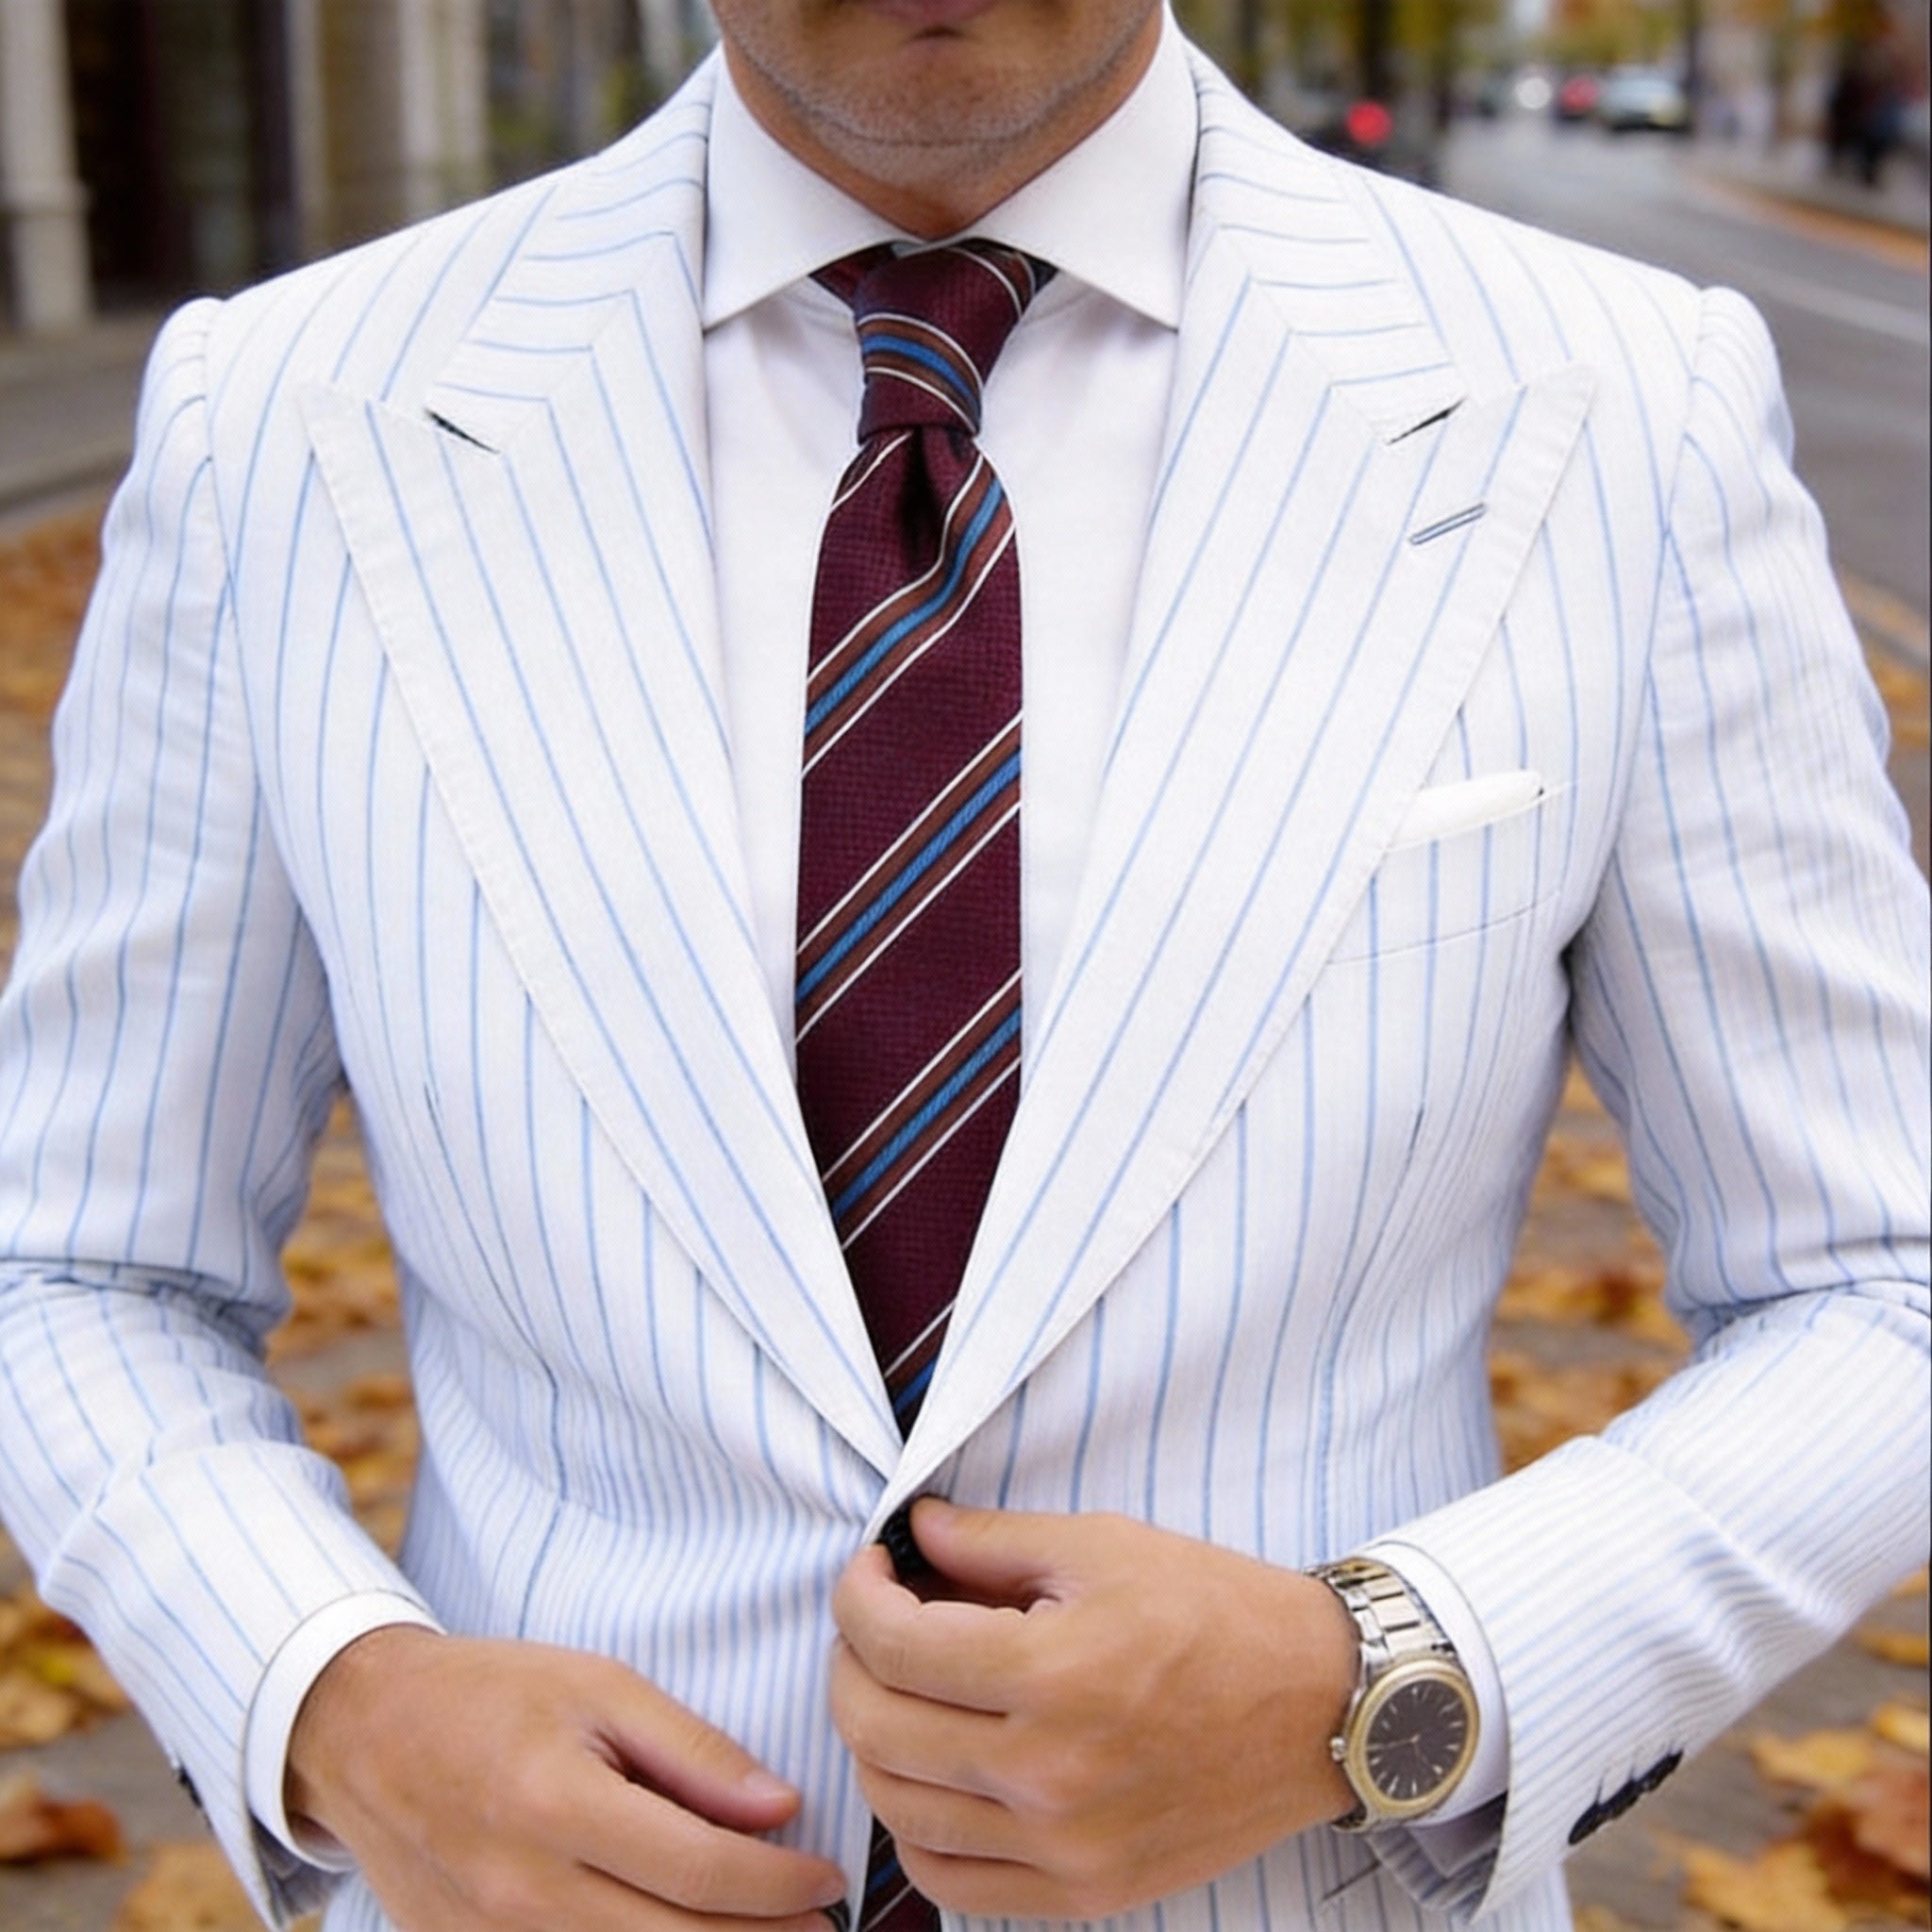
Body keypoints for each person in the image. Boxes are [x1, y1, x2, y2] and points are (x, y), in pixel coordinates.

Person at [0, 0, 1924, 1928]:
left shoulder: (1615, 408)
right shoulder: (280, 422)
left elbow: (1878, 1278)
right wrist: (335, 1701)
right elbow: (74, 1259)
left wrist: (1385, 1679)